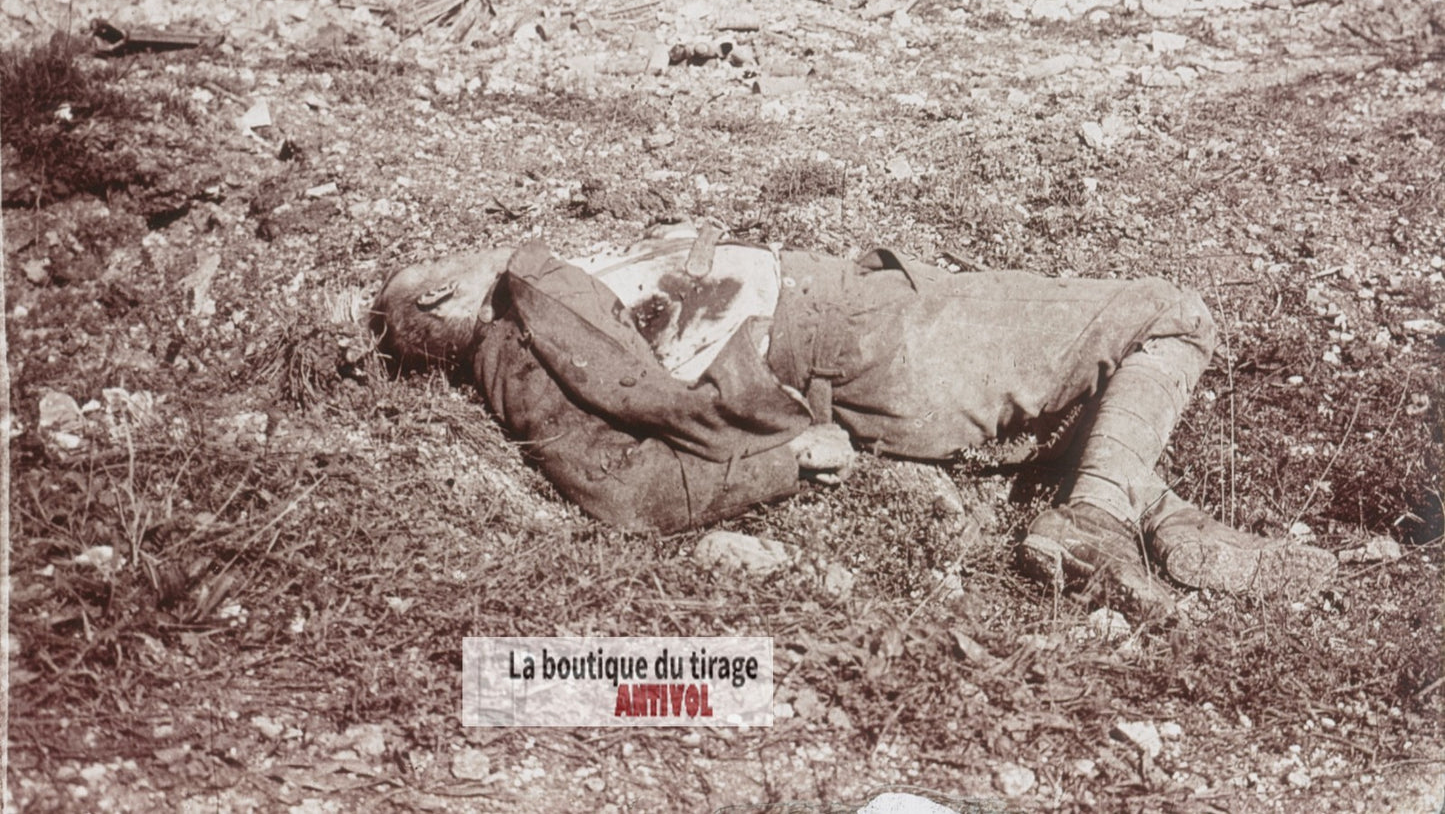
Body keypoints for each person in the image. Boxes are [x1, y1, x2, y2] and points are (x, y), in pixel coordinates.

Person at [371, 224, 1336, 611]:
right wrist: (788, 462)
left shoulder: (534, 311)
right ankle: (1092, 524)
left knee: (1065, 392)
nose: (472, 250)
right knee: (1166, 311)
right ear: (446, 302)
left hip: (860, 330)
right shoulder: (518, 329)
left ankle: (1169, 529)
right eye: (445, 266)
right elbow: (626, 491)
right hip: (861, 339)